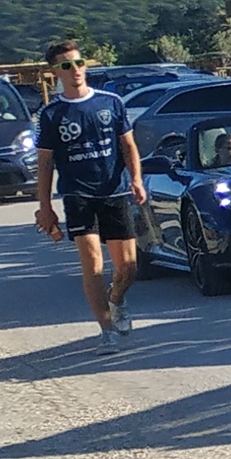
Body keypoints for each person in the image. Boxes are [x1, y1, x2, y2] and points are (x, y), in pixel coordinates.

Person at [32, 41, 145, 348]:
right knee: (93, 262)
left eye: (79, 63)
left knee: (128, 267)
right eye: (67, 65)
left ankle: (116, 298)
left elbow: (128, 146)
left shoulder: (111, 102)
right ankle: (106, 330)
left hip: (114, 190)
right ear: (55, 72)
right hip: (78, 194)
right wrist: (45, 206)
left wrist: (136, 179)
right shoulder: (51, 113)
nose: (76, 70)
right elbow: (45, 162)